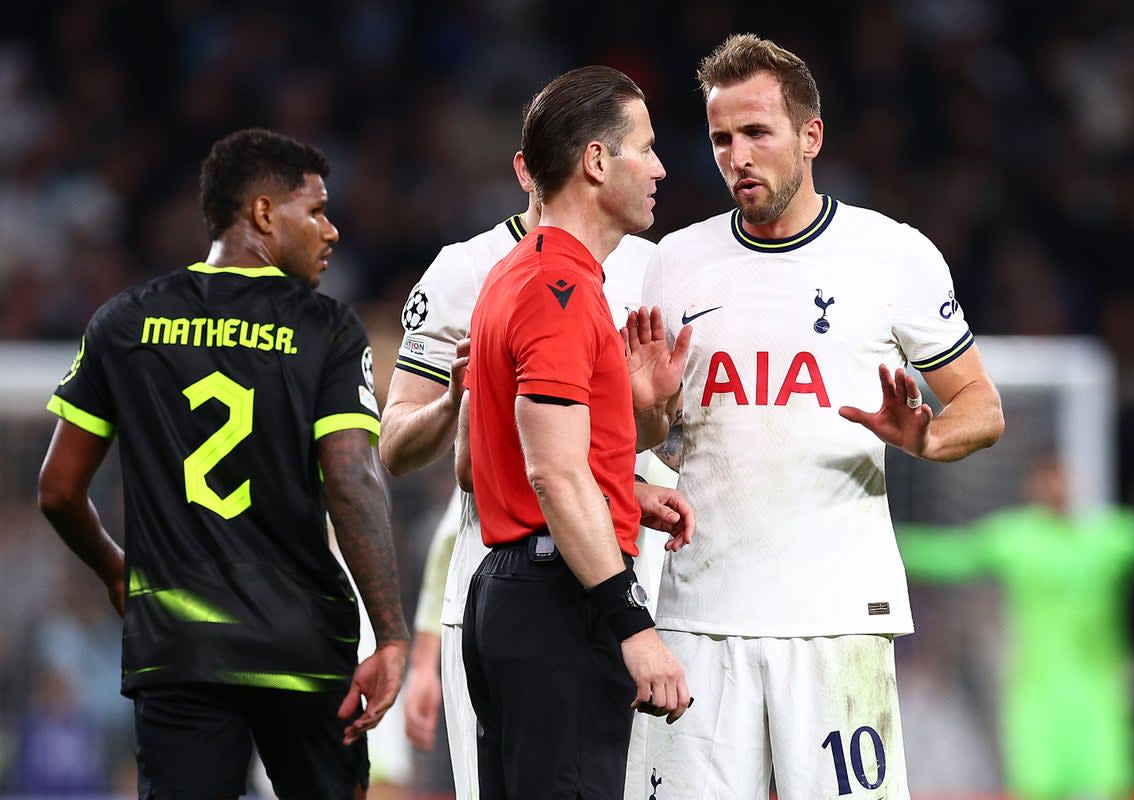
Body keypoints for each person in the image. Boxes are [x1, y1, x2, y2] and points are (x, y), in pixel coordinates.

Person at [638, 34, 1005, 799]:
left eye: (757, 133)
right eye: (721, 138)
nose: (737, 155)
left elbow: (982, 405)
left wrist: (927, 436)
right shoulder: (673, 260)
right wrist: (646, 409)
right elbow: (641, 437)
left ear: (810, 137)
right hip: (701, 617)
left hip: (837, 616)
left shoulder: (893, 255)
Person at [37, 128, 410, 800]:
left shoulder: (123, 323)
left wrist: (114, 568)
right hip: (302, 645)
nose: (331, 232)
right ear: (264, 214)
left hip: (178, 646)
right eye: (317, 210)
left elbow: (59, 490)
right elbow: (351, 480)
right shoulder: (326, 328)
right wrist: (390, 633)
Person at [381, 150, 678, 798]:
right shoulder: (466, 270)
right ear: (530, 167)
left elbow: (618, 440)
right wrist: (465, 397)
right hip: (525, 580)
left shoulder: (653, 266)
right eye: (644, 147)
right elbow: (397, 446)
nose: (658, 167)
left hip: (621, 586)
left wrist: (641, 423)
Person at [462, 65, 693, 799]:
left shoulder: (516, 275)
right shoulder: (559, 290)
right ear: (597, 161)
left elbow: (481, 458)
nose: (659, 167)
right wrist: (633, 624)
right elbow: (554, 476)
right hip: (558, 602)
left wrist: (623, 490)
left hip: (518, 592)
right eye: (645, 148)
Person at [898, 453, 1134, 800]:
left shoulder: (1110, 537)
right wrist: (882, 539)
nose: (1058, 488)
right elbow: (948, 557)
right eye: (1049, 479)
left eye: (1064, 478)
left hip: (1098, 695)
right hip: (1036, 697)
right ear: (1033, 489)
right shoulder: (1014, 539)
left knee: (1109, 788)